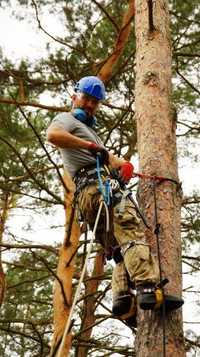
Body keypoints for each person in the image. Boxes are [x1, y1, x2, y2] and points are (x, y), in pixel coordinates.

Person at [47, 76, 183, 324]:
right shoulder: (66, 120)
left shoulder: (91, 133)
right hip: (99, 191)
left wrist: (126, 166)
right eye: (86, 99)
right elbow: (53, 135)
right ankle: (148, 289)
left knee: (118, 249)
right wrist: (90, 146)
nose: (90, 105)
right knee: (131, 232)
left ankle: (122, 299)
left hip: (91, 196)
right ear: (74, 96)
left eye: (95, 102)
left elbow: (110, 158)